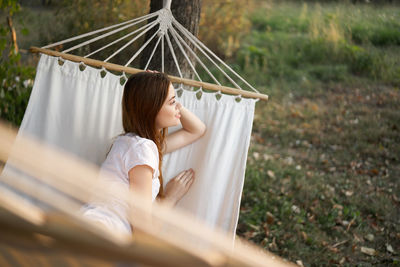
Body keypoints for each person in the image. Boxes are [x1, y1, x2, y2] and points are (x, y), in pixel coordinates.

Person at [82, 71, 206, 234]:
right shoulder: (142, 149)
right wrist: (170, 197)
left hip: (96, 228)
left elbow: (197, 130)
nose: (178, 107)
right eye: (172, 102)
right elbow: (142, 231)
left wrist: (158, 84)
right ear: (151, 108)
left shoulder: (131, 143)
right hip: (104, 232)